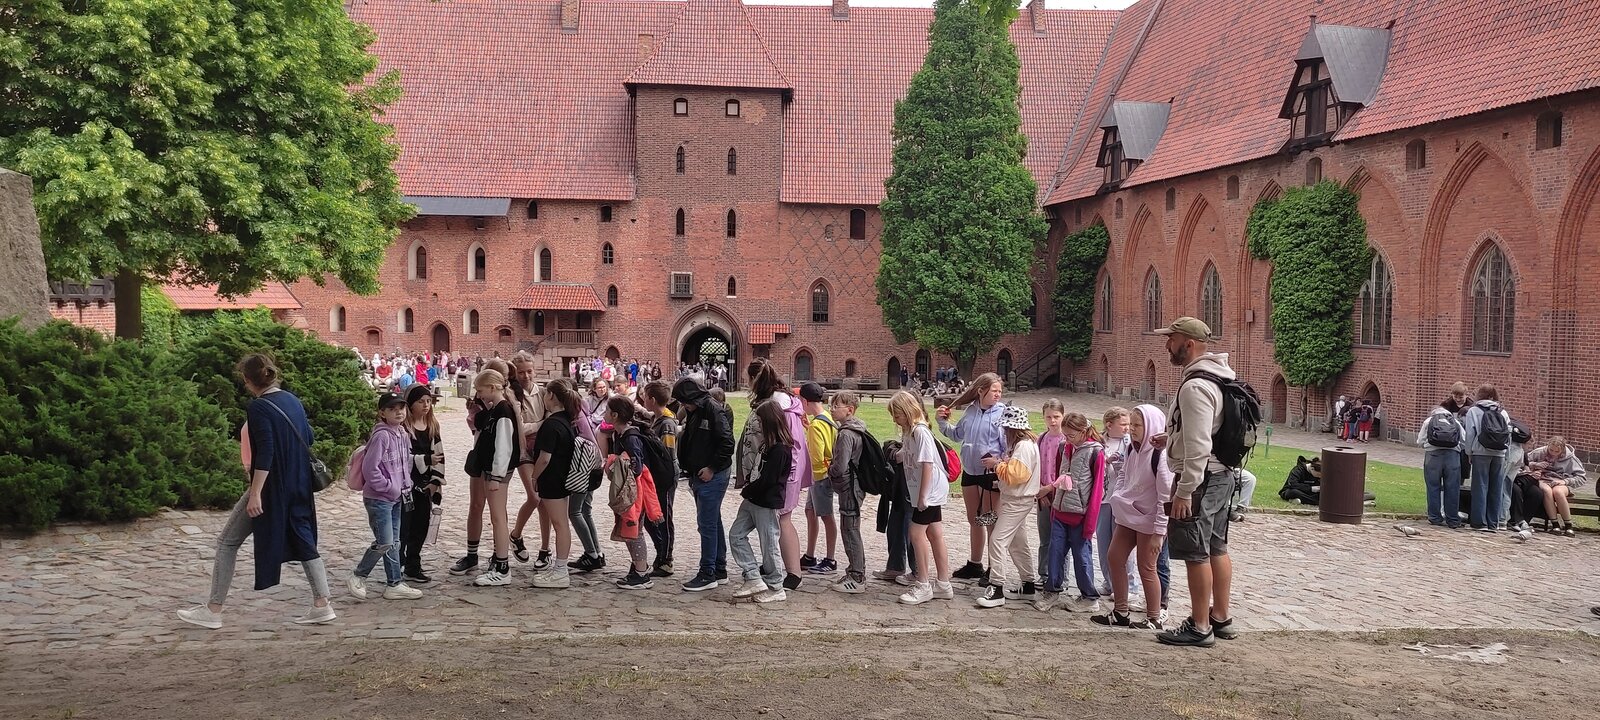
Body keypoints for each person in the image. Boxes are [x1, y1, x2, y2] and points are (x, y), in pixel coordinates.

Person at [178, 354, 334, 629]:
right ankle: (322, 604)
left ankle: (213, 610)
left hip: (272, 488)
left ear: (247, 380)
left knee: (227, 542)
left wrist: (255, 493)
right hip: (299, 484)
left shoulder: (259, 407)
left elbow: (266, 453)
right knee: (304, 540)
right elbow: (308, 437)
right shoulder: (292, 400)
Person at [1153, 317, 1240, 647]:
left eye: (1172, 339)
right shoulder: (1219, 376)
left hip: (1201, 479)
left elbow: (1200, 445)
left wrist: (1185, 490)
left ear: (1188, 344)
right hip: (1222, 474)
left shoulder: (1195, 387)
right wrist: (1172, 439)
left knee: (1196, 552)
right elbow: (1207, 431)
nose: (1167, 345)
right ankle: (1221, 617)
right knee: (1217, 547)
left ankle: (1200, 626)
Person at [1092, 404, 1171, 629]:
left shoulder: (1160, 456)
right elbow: (1124, 473)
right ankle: (1120, 611)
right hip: (1128, 516)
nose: (1132, 429)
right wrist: (1119, 494)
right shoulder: (1131, 449)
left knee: (1147, 567)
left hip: (1149, 521)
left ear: (1152, 427)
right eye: (1132, 424)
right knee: (1115, 557)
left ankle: (1154, 617)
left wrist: (1159, 533)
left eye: (1138, 425)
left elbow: (1165, 497)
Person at [737, 360, 810, 590]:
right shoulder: (780, 400)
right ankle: (776, 566)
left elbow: (790, 442)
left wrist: (786, 473)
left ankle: (793, 573)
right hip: (782, 467)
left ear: (754, 380)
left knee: (782, 518)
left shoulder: (779, 405)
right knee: (777, 519)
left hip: (784, 469)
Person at [347, 392, 425, 600]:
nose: (399, 412)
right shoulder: (381, 436)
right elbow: (370, 468)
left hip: (397, 497)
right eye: (392, 409)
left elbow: (404, 463)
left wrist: (405, 486)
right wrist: (389, 487)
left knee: (394, 542)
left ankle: (394, 583)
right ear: (382, 413)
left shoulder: (402, 433)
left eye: (401, 408)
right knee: (385, 542)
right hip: (379, 499)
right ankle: (358, 575)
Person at [936, 373, 1007, 585]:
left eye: (999, 391)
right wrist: (941, 421)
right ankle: (975, 564)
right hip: (970, 471)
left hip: (990, 474)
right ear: (981, 390)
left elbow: (1009, 446)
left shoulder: (1002, 413)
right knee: (974, 519)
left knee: (990, 520)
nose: (998, 394)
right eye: (994, 390)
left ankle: (994, 568)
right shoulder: (970, 411)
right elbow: (957, 435)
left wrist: (998, 462)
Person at [673, 377, 736, 591]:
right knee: (713, 521)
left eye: (683, 401)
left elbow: (727, 442)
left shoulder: (712, 410)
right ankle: (719, 567)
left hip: (711, 474)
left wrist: (712, 467)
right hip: (700, 473)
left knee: (707, 524)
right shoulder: (697, 410)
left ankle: (708, 572)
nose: (683, 405)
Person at [1038, 412, 1105, 613]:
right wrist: (1054, 504)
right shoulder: (1063, 447)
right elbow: (1060, 477)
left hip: (1080, 515)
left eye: (1071, 435)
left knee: (1081, 556)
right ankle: (1052, 591)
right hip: (1060, 511)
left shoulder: (1096, 453)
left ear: (1083, 431)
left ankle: (1089, 597)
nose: (1067, 439)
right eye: (1065, 435)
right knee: (1055, 552)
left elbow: (1097, 490)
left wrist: (1090, 523)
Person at [891, 391, 954, 605]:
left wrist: (923, 496)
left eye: (897, 415)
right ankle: (943, 583)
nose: (895, 420)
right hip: (925, 490)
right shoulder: (910, 433)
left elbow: (928, 464)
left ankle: (923, 583)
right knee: (935, 533)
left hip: (930, 490)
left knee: (916, 533)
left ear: (907, 411)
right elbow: (905, 456)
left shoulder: (920, 431)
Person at [451, 358, 512, 576]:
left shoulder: (504, 407)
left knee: (498, 513)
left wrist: (497, 473)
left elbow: (505, 442)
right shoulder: (485, 404)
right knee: (476, 505)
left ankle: (500, 558)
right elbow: (476, 425)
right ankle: (472, 555)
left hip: (495, 466)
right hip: (481, 459)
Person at [522, 378, 585, 589]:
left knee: (559, 524)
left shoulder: (551, 424)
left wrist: (534, 476)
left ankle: (560, 570)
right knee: (561, 523)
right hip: (563, 477)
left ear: (552, 396)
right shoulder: (567, 420)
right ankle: (559, 568)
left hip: (552, 479)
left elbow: (544, 458)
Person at [729, 402, 795, 603]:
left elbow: (769, 480)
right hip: (753, 499)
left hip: (766, 501)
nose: (756, 423)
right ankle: (753, 576)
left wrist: (748, 490)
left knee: (769, 544)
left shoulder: (780, 449)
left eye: (759, 420)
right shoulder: (767, 444)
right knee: (736, 535)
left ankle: (776, 586)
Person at [976, 405, 1041, 608]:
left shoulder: (1023, 447)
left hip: (1017, 500)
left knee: (997, 540)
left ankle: (996, 587)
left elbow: (1017, 475)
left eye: (1005, 428)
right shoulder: (1026, 444)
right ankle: (1028, 584)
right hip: (1017, 498)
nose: (1004, 431)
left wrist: (996, 465)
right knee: (1018, 543)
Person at [467, 369, 521, 586]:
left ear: (491, 387)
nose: (479, 394)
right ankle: (500, 563)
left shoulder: (503, 411)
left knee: (498, 518)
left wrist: (497, 477)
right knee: (497, 518)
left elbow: (503, 447)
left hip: (497, 473)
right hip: (491, 470)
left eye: (480, 390)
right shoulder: (496, 409)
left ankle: (502, 566)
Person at [604, 397, 664, 588]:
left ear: (615, 415)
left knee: (634, 530)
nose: (604, 413)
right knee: (630, 530)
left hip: (634, 493)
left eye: (607, 410)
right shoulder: (620, 434)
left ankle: (641, 573)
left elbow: (636, 467)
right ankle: (638, 566)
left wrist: (616, 463)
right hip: (629, 490)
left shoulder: (630, 438)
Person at [507, 353, 553, 571]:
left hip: (542, 447)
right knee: (534, 497)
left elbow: (551, 417)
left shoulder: (542, 392)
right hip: (524, 449)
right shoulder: (512, 394)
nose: (526, 376)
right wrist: (540, 424)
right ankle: (516, 534)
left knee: (545, 501)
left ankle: (545, 548)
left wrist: (539, 425)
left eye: (529, 371)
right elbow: (519, 428)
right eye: (521, 372)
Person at [826, 391, 872, 593]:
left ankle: (857, 577)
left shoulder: (846, 434)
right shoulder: (856, 428)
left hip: (850, 487)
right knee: (850, 527)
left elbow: (841, 465)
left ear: (849, 410)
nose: (832, 409)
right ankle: (855, 570)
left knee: (850, 529)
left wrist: (830, 470)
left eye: (836, 406)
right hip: (854, 485)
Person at [400, 385, 444, 584]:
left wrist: (436, 481)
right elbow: (401, 458)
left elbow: (439, 455)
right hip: (406, 484)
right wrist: (425, 459)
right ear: (411, 404)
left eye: (428, 401)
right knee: (404, 526)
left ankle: (413, 564)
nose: (426, 405)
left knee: (421, 526)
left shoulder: (432, 426)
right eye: (421, 401)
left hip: (425, 485)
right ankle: (398, 562)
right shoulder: (404, 428)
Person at [566, 378, 611, 571]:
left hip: (584, 466)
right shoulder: (583, 409)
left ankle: (591, 554)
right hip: (594, 462)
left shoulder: (575, 415)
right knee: (585, 510)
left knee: (575, 511)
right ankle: (596, 553)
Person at [638, 381, 679, 576]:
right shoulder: (657, 418)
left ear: (652, 400)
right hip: (654, 475)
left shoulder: (667, 424)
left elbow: (667, 453)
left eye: (645, 397)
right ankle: (660, 551)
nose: (643, 400)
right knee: (649, 517)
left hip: (665, 476)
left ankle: (666, 559)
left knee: (663, 517)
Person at [799, 382, 840, 575]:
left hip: (820, 477)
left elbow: (816, 457)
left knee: (826, 516)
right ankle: (810, 555)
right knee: (810, 511)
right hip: (822, 475)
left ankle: (830, 559)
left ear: (805, 401)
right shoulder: (826, 418)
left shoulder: (816, 425)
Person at [1462, 384, 1511, 532]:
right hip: (1499, 453)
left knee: (1480, 487)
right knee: (1496, 488)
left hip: (1480, 452)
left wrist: (1469, 452)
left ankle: (1480, 522)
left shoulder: (1474, 411)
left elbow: (1470, 434)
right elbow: (1508, 434)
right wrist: (1506, 454)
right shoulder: (1502, 411)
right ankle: (1493, 522)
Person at [1097, 407, 1133, 594]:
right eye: (1123, 424)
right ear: (1109, 425)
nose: (1127, 428)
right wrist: (1106, 462)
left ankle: (1129, 586)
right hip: (1103, 499)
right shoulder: (1099, 441)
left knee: (1123, 545)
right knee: (1104, 542)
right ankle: (1109, 582)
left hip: (1122, 500)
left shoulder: (1131, 443)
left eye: (1128, 424)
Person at [1524, 436, 1586, 536]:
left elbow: (1581, 477)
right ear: (1548, 446)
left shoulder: (1571, 458)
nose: (1553, 453)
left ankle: (1568, 526)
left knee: (1558, 492)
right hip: (1543, 479)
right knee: (1547, 490)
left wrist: (1565, 481)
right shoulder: (1539, 452)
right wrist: (1535, 465)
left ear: (1562, 449)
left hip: (1561, 481)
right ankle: (1555, 524)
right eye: (1551, 450)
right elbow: (1523, 462)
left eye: (1557, 451)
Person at [1418, 398, 1465, 528]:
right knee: (1452, 488)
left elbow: (1420, 441)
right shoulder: (1455, 421)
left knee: (1433, 486)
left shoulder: (1429, 421)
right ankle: (1452, 519)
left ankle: (1435, 517)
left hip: (1432, 456)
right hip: (1452, 456)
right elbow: (1464, 440)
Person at [1035, 399, 1066, 584]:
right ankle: (1044, 573)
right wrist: (1041, 492)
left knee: (1061, 538)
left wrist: (1050, 488)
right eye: (1048, 417)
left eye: (1056, 416)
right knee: (1045, 537)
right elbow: (1037, 466)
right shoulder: (1041, 439)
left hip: (1061, 494)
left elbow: (1067, 472)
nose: (1053, 421)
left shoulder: (1066, 440)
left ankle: (1061, 576)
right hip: (1043, 494)